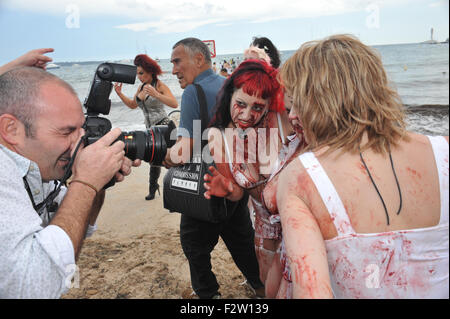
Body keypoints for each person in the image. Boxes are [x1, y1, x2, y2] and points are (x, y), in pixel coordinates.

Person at [276, 34, 449, 298]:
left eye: (300, 102)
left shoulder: (302, 177)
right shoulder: (444, 152)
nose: (292, 115)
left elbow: (312, 292)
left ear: (325, 99)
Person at [0, 66, 139, 298]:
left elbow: (71, 230)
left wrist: (99, 181)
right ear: (11, 129)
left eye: (81, 131)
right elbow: (34, 287)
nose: (80, 145)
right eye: (67, 133)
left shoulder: (35, 166)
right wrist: (85, 182)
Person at [164, 37, 264, 299]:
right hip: (236, 185)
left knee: (194, 246)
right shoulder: (231, 86)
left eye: (177, 61)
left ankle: (208, 295)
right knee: (242, 242)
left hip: (206, 187)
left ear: (199, 59)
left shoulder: (192, 93)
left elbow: (183, 152)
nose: (173, 69)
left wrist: (164, 156)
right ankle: (262, 287)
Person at [202, 60, 305, 296]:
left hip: (303, 222)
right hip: (266, 231)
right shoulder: (219, 138)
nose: (247, 115)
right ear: (229, 95)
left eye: (257, 107)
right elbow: (240, 193)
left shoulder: (282, 119)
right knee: (270, 289)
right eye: (240, 104)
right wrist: (228, 190)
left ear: (269, 105)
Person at [114, 54, 177, 200]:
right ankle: (153, 189)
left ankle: (180, 187)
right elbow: (132, 105)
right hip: (151, 130)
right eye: (137, 74)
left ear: (150, 71)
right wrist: (119, 94)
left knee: (172, 160)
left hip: (165, 127)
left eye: (141, 73)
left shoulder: (159, 85)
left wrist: (156, 94)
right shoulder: (141, 87)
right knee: (154, 162)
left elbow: (174, 103)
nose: (139, 77)